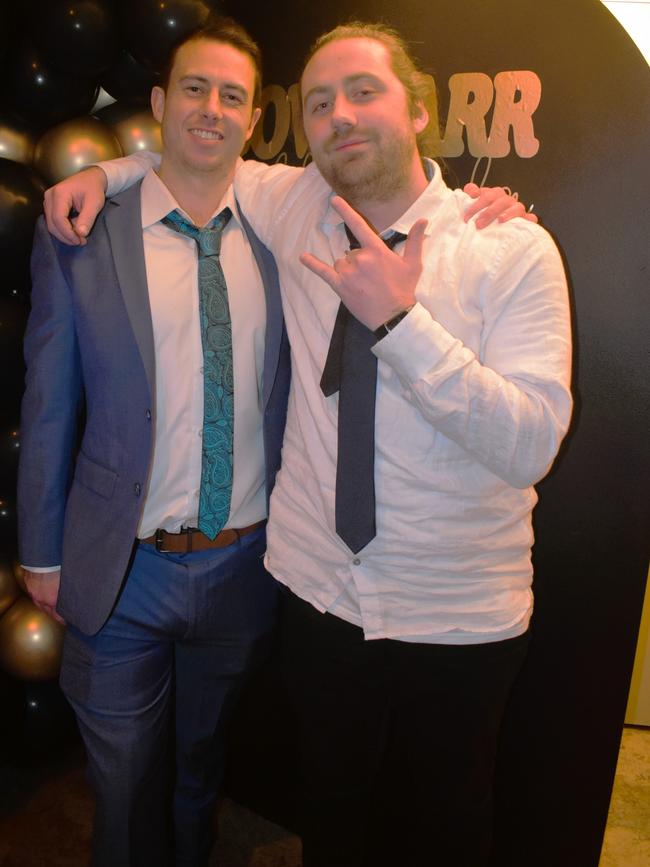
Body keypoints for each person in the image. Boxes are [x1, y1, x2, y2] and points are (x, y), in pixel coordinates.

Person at [40, 21, 544, 867]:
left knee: (444, 820)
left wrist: (400, 322)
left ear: (418, 110)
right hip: (312, 593)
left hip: (444, 609)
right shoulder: (294, 202)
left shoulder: (506, 247)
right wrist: (100, 169)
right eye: (320, 102)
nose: (340, 115)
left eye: (363, 92)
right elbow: (195, 157)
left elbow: (531, 442)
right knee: (318, 812)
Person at [18, 18, 291, 867]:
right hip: (120, 568)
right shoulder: (82, 232)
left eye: (233, 96)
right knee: (124, 785)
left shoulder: (290, 231)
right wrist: (40, 551)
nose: (213, 109)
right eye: (196, 90)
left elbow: (394, 189)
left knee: (201, 769)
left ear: (253, 119)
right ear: (161, 102)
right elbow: (49, 401)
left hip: (243, 565)